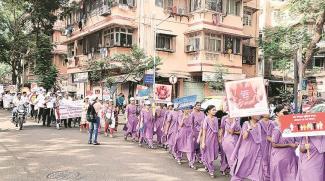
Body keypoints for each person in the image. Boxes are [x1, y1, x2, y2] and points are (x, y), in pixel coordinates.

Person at [230, 115, 263, 181]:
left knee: (257, 170)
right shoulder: (246, 123)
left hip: (257, 150)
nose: (259, 115)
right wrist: (248, 130)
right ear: (251, 115)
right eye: (257, 114)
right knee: (241, 169)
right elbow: (244, 137)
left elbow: (259, 138)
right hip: (246, 150)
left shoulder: (259, 124)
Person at [270, 106, 298, 181]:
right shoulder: (275, 127)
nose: (286, 114)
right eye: (283, 112)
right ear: (277, 113)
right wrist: (289, 145)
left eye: (287, 112)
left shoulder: (290, 126)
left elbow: (295, 139)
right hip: (280, 158)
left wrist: (296, 143)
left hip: (291, 157)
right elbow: (273, 144)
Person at [200, 105, 219, 178]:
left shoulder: (216, 118)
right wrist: (203, 142)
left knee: (214, 154)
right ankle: (211, 171)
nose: (215, 111)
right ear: (208, 111)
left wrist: (218, 139)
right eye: (213, 110)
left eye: (215, 110)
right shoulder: (206, 119)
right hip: (208, 139)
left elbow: (217, 130)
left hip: (215, 139)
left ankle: (207, 165)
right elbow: (204, 130)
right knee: (209, 155)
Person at [259, 114, 275, 181]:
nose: (268, 113)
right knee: (264, 159)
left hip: (271, 142)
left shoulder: (272, 122)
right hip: (262, 143)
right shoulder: (259, 123)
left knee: (271, 158)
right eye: (266, 112)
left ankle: (271, 175)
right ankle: (265, 177)